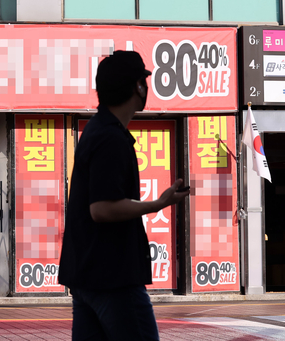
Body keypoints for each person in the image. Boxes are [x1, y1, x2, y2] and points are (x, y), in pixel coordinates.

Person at [58, 50, 190, 341]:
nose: (146, 88)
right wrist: (159, 204)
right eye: (144, 82)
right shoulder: (110, 138)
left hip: (87, 274)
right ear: (137, 87)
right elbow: (101, 209)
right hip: (113, 277)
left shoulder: (96, 130)